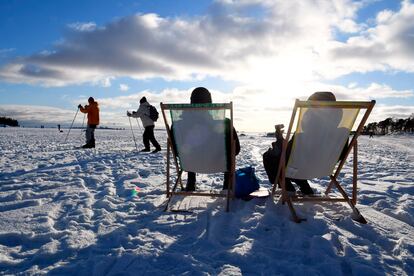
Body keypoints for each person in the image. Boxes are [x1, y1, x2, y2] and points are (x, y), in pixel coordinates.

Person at [264, 91, 347, 195]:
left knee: (269, 157)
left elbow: (287, 156)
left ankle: (288, 187)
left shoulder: (303, 137)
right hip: (325, 167)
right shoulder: (342, 133)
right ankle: (304, 186)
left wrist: (280, 143)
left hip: (302, 166)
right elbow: (341, 155)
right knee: (294, 162)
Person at [175, 87, 241, 191]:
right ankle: (227, 185)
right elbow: (236, 150)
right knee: (228, 151)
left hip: (190, 163)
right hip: (217, 162)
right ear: (210, 103)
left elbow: (177, 151)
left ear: (191, 102)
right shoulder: (225, 124)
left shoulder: (177, 125)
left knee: (188, 151)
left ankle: (191, 183)